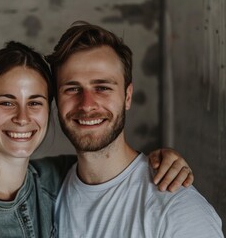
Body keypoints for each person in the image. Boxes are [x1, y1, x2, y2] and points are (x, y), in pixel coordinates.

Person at [0, 36, 194, 237]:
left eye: (35, 102)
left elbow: (109, 167)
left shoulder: (56, 179)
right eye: (6, 101)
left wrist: (163, 158)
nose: (23, 117)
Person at [44, 21, 223, 237]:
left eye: (102, 88)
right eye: (72, 89)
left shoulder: (178, 210)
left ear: (127, 97)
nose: (87, 104)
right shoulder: (47, 194)